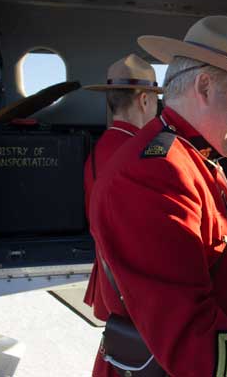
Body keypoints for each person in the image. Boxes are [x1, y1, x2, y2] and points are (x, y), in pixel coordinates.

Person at [89, 16, 227, 376]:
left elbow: (224, 249)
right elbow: (189, 330)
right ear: (205, 87)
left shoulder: (188, 157)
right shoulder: (154, 172)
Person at [82, 54, 161, 315]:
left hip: (109, 282)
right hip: (134, 290)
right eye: (155, 99)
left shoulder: (97, 151)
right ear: (144, 100)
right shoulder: (141, 154)